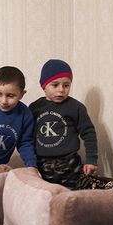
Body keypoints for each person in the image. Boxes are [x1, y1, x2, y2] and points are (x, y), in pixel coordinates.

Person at [30, 59, 98, 189]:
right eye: (55, 85)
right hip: (42, 165)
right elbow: (28, 136)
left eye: (66, 85)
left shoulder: (76, 108)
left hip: (70, 164)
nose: (61, 90)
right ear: (44, 86)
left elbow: (88, 133)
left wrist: (91, 160)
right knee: (44, 196)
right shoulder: (35, 108)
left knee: (74, 195)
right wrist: (30, 163)